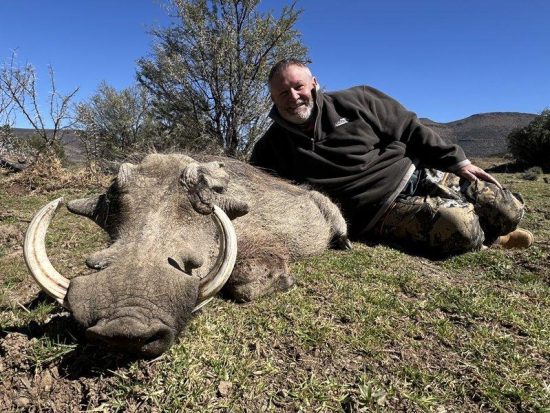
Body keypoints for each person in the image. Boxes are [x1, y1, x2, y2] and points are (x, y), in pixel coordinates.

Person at [249, 59, 533, 256]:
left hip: (419, 171)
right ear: (273, 99)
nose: (293, 97)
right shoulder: (271, 146)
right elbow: (260, 189)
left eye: (298, 86)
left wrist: (459, 163)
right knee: (460, 228)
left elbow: (410, 128)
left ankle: (495, 223)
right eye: (283, 93)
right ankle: (494, 240)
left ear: (314, 83)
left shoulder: (357, 98)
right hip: (380, 212)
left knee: (507, 209)